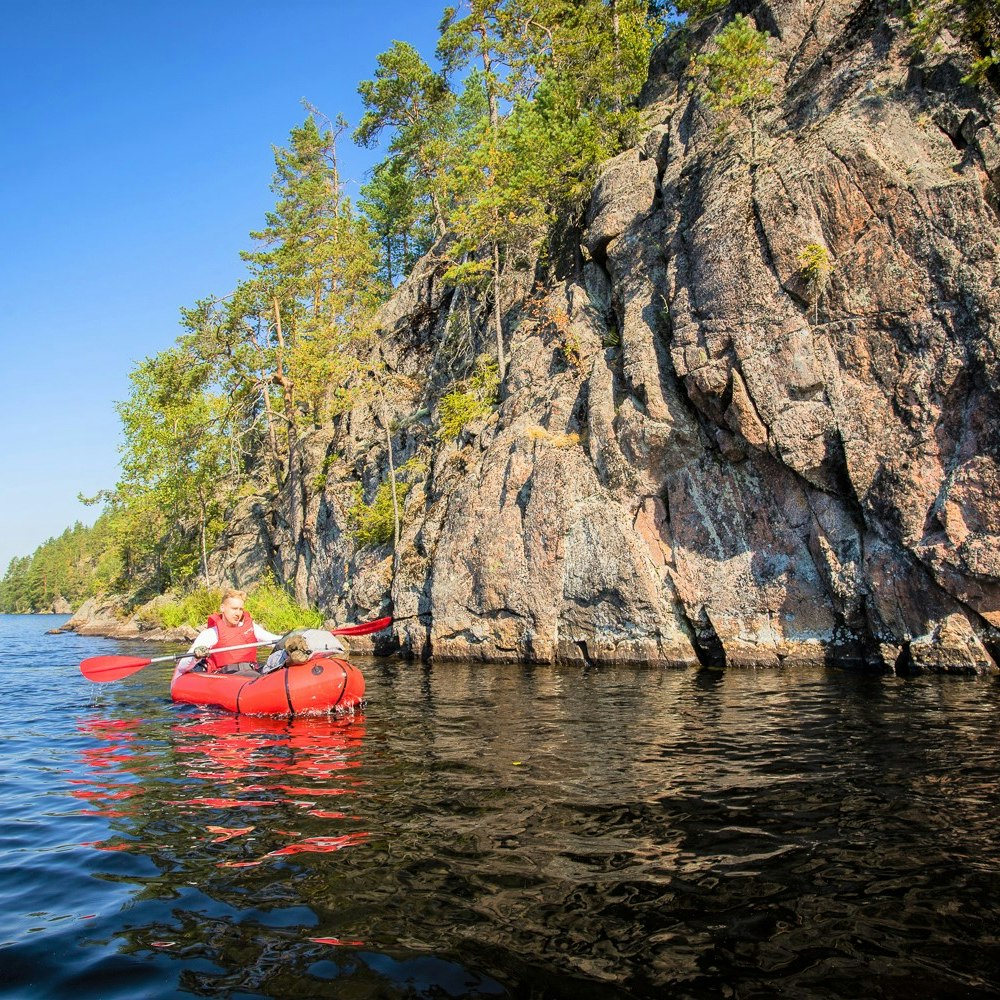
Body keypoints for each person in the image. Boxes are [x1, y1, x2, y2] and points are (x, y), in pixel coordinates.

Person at [175, 589, 281, 678]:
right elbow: (182, 667)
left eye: (240, 609)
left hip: (251, 673)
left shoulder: (251, 628)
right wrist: (196, 656)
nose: (238, 613)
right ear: (222, 608)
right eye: (234, 609)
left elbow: (276, 641)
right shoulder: (211, 634)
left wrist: (291, 639)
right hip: (226, 677)